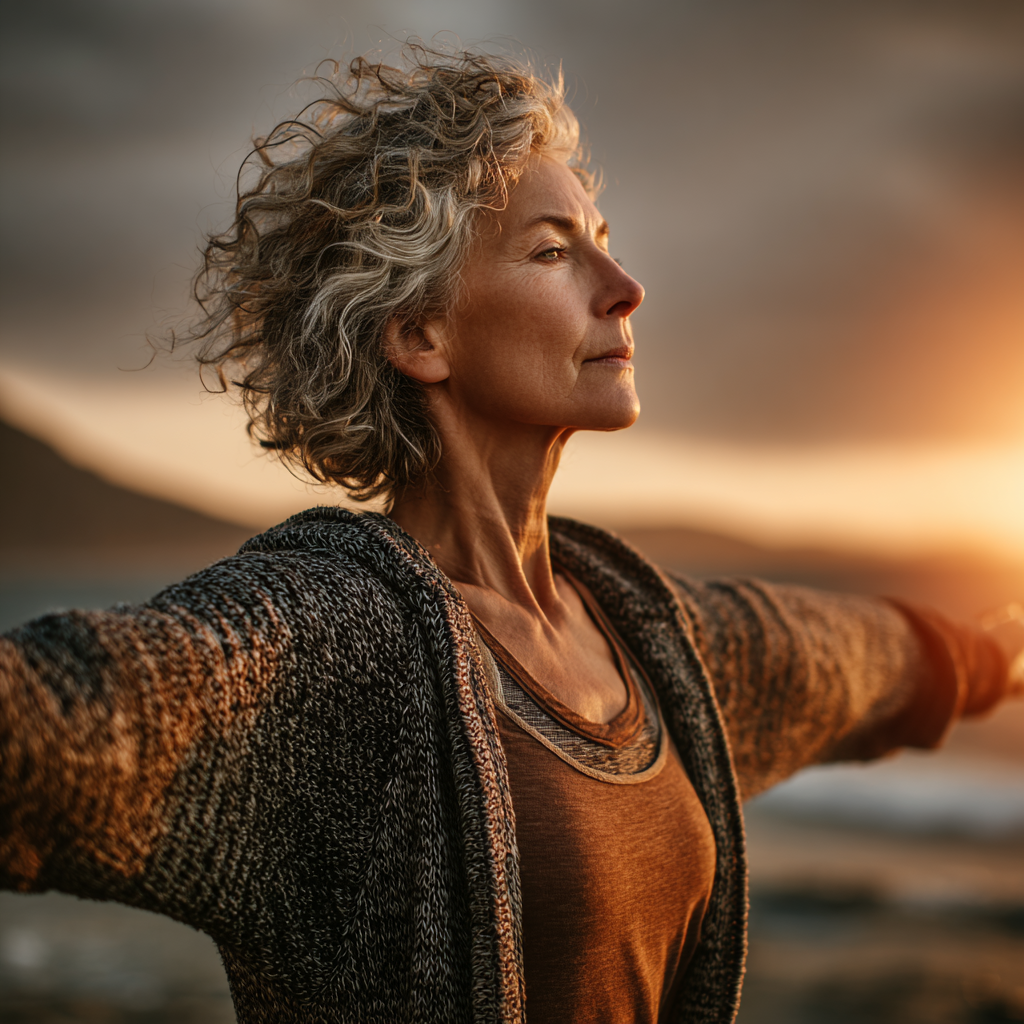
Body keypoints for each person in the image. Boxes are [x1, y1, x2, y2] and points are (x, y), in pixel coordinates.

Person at [1, 46, 1022, 1024]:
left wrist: (978, 658)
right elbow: (75, 711)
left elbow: (829, 659)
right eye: (552, 251)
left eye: (603, 239)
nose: (624, 286)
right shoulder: (331, 644)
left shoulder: (649, 635)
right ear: (420, 334)